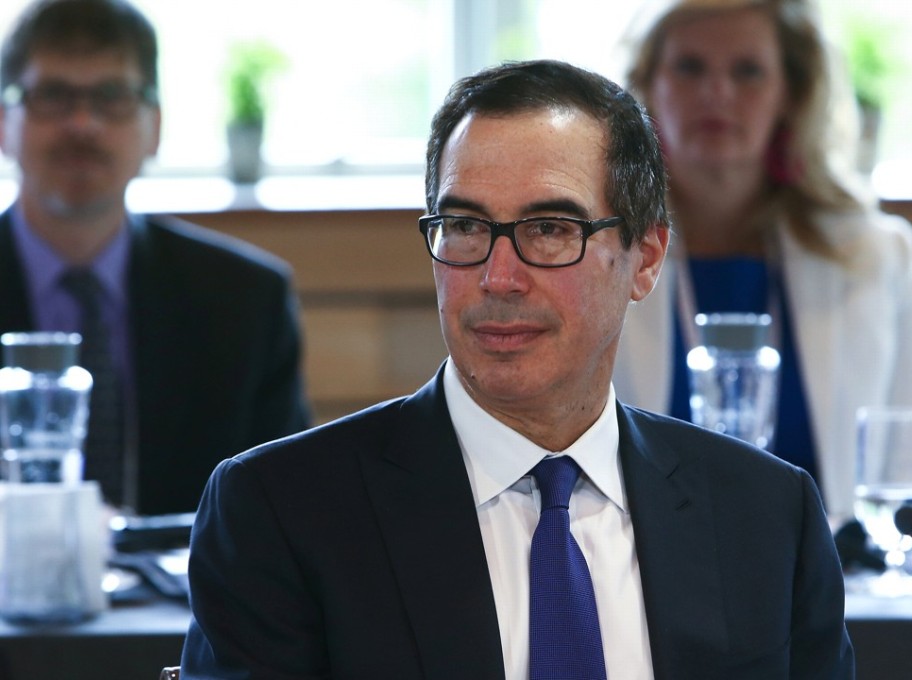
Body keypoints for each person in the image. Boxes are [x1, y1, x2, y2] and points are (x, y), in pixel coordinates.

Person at [181, 59, 853, 679]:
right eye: (465, 226)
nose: (498, 277)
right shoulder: (282, 511)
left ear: (645, 258)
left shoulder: (764, 514)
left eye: (551, 229)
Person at [614, 0, 912, 519]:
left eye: (748, 71)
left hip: (840, 588)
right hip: (641, 589)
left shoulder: (875, 256)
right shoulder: (597, 252)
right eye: (690, 67)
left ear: (790, 94)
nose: (717, 92)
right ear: (647, 85)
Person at [0, 0, 310, 515]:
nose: (82, 124)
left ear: (156, 127)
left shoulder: (245, 300)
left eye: (112, 96)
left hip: (193, 594)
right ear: (5, 123)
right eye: (53, 96)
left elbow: (288, 505)